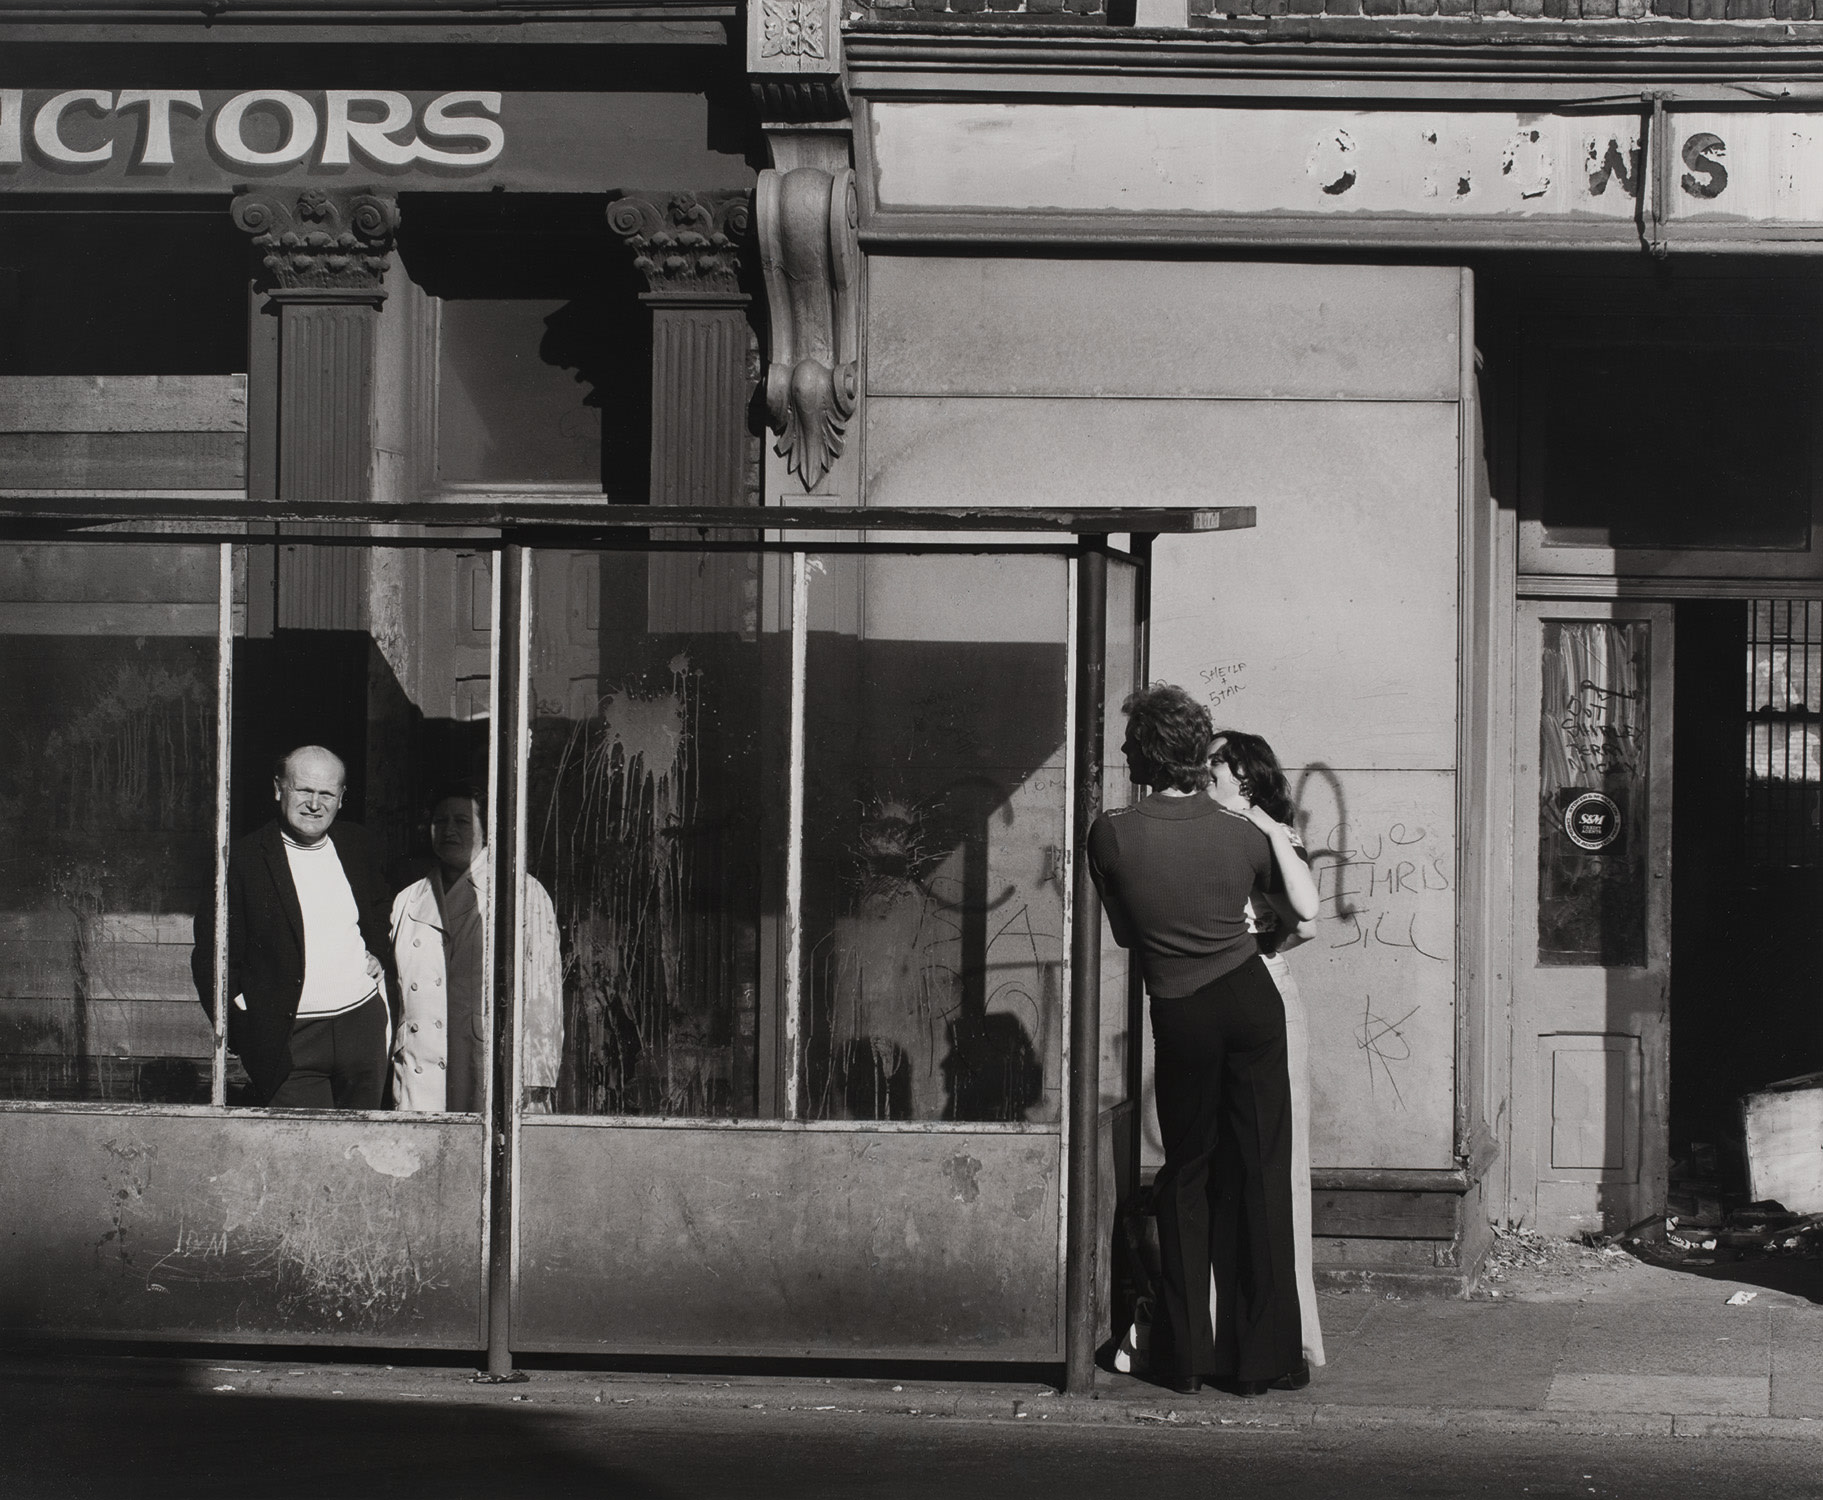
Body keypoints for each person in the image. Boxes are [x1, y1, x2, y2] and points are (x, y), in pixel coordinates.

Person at [1087, 684, 1305, 1397]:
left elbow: (1125, 933)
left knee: (1185, 1174)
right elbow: (1287, 912)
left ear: (1143, 752)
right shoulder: (1243, 832)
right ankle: (1265, 1359)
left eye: (1128, 743)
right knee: (1260, 1171)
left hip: (1179, 1011)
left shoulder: (1111, 834)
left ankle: (1184, 1357)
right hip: (1250, 1004)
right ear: (1195, 750)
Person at [1208, 729, 1326, 1373]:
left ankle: (1261, 1323)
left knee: (1264, 1162)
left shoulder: (1263, 832)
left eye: (1213, 765)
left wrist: (1257, 954)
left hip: (1258, 992)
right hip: (1259, 988)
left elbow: (1305, 920)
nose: (1203, 774)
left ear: (1242, 776)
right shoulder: (1246, 832)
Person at [208, 745, 397, 1109]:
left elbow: (378, 906)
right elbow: (212, 955)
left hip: (362, 1028)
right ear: (279, 789)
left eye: (326, 793)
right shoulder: (242, 860)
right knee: (302, 1151)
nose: (315, 803)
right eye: (304, 790)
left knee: (363, 1149)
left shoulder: (357, 844)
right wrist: (243, 1029)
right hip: (290, 1041)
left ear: (341, 799)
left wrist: (379, 953)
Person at [390, 783, 564, 1114]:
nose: (449, 831)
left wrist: (536, 1074)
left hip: (484, 1063)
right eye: (440, 822)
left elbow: (543, 991)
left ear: (486, 830)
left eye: (462, 821)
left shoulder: (520, 892)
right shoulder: (408, 899)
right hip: (422, 1063)